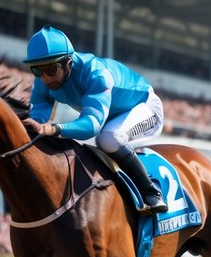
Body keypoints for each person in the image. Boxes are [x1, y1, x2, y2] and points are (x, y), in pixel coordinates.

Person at [21, 26, 167, 213]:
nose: (45, 79)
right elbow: (40, 109)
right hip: (110, 116)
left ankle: (151, 191)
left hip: (145, 108)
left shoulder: (96, 73)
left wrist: (53, 129)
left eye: (50, 69)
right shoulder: (45, 78)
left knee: (108, 138)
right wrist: (36, 127)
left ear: (68, 62)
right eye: (37, 70)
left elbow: (92, 124)